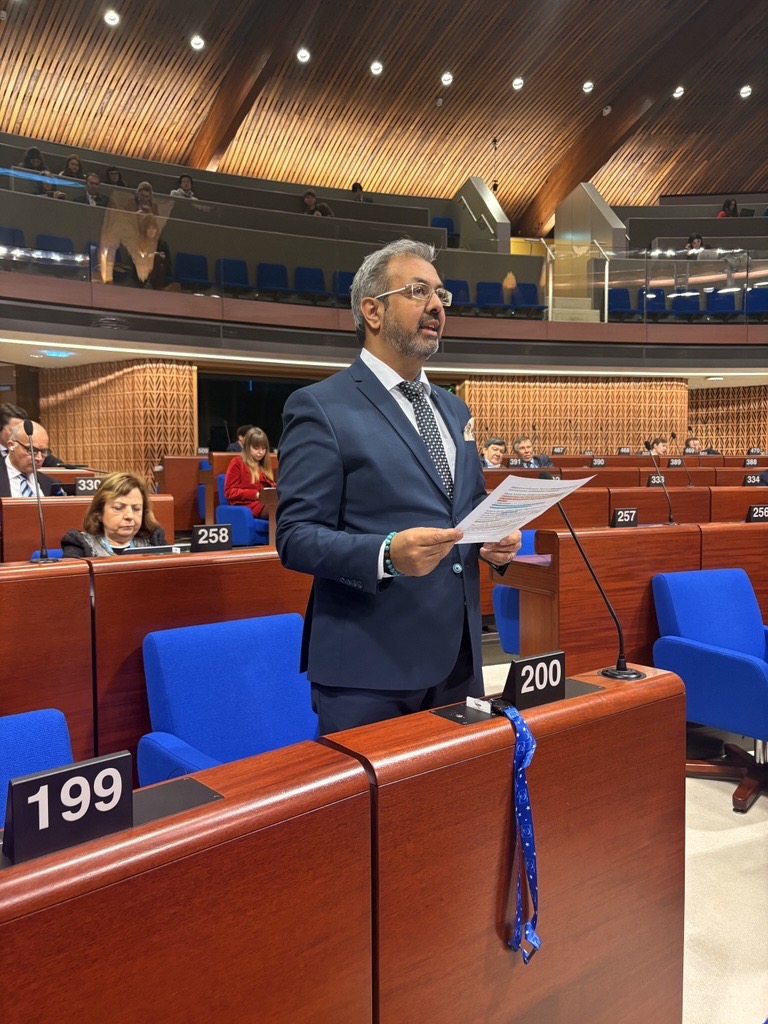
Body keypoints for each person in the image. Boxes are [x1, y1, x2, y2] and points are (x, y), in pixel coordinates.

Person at [276, 237, 521, 734]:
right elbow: (295, 536)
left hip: (458, 658)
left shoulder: (454, 409)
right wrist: (386, 554)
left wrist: (496, 544)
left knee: (451, 808)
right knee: (373, 814)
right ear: (372, 310)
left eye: (441, 294)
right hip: (369, 667)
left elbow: (466, 508)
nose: (436, 305)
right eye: (417, 291)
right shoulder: (321, 406)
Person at [61, 472, 166, 557]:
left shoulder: (155, 541)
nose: (129, 516)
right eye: (118, 508)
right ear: (99, 513)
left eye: (136, 509)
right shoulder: (80, 545)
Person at [223, 427, 274, 519]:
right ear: (247, 447)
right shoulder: (237, 462)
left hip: (265, 502)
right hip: (246, 505)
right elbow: (230, 492)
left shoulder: (264, 465)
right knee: (279, 509)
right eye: (256, 448)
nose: (261, 452)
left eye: (264, 448)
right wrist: (256, 494)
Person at [0, 421, 61, 497]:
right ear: (11, 446)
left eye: (43, 451)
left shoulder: (51, 484)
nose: (39, 458)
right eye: (31, 450)